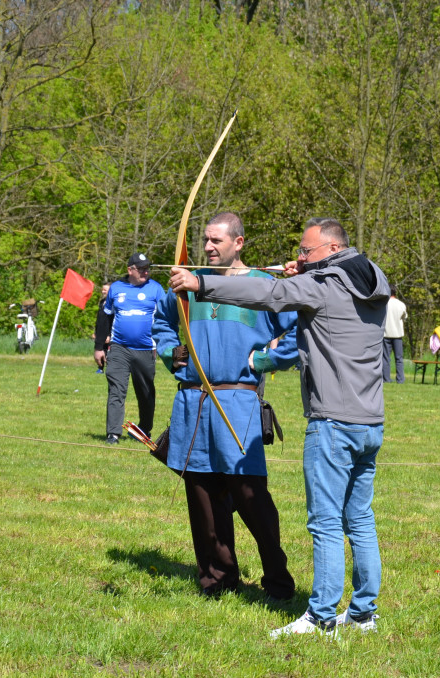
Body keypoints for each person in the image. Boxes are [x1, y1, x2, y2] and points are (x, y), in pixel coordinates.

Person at [168, 217, 390, 637]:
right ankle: (363, 614)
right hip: (370, 421)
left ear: (331, 249)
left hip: (333, 423)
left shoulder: (322, 287)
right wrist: (308, 270)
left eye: (306, 252)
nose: (299, 257)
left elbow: (268, 293)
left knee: (325, 523)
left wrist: (202, 285)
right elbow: (310, 282)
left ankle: (322, 616)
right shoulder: (372, 280)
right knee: (359, 519)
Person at [153, 212, 300, 601]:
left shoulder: (264, 286)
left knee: (251, 496)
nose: (207, 247)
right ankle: (217, 580)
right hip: (193, 400)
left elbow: (301, 326)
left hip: (237, 400)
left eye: (216, 241)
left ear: (239, 243)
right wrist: (171, 352)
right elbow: (162, 324)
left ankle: (278, 581)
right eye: (205, 240)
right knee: (202, 494)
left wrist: (268, 360)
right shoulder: (186, 283)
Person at [94, 254, 165, 443]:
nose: (145, 272)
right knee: (116, 389)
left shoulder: (156, 289)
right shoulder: (116, 288)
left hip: (146, 349)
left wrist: (165, 345)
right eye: (141, 268)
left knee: (145, 392)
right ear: (130, 270)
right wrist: (99, 346)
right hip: (119, 348)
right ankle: (113, 433)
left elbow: (166, 319)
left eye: (147, 268)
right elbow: (105, 317)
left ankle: (143, 431)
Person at [382, 286, 407, 384]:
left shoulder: (384, 304)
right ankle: (400, 379)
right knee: (399, 358)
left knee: (385, 358)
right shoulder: (401, 304)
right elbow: (404, 316)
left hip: (386, 333)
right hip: (397, 334)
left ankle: (386, 379)